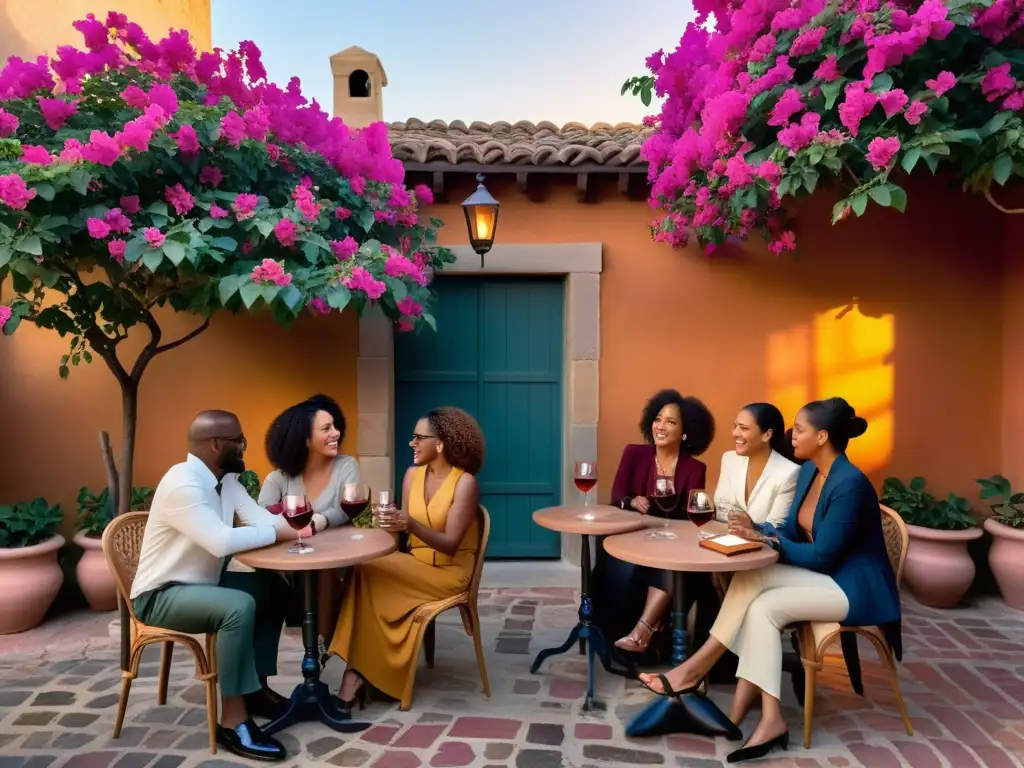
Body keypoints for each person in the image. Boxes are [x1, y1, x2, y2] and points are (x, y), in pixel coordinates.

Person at [638, 397, 901, 764]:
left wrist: (769, 541)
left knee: (761, 597)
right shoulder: (810, 472)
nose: (792, 435)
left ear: (823, 437)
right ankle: (769, 717)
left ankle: (696, 671)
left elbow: (824, 555)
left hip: (850, 588)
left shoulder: (850, 483)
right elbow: (791, 529)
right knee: (759, 596)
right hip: (822, 577)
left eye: (801, 429)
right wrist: (756, 529)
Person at [130, 410, 315, 762]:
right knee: (237, 606)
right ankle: (232, 721)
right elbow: (219, 541)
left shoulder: (226, 481)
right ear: (216, 445)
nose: (245, 447)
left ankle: (255, 690)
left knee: (268, 587)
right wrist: (284, 531)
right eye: (239, 441)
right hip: (161, 595)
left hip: (202, 583)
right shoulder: (182, 482)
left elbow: (263, 521)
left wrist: (307, 521)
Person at [328, 406, 485, 710]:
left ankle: (358, 674)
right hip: (416, 563)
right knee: (364, 568)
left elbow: (451, 544)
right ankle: (364, 671)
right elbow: (398, 537)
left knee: (369, 577)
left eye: (418, 438)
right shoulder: (412, 475)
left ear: (440, 443)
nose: (411, 443)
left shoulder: (465, 484)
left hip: (449, 573)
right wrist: (386, 528)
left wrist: (409, 524)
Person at [591, 389, 714, 659]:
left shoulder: (695, 468)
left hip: (671, 543)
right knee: (621, 568)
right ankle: (622, 635)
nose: (661, 426)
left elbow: (691, 516)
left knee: (671, 566)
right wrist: (632, 501)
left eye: (671, 422)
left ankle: (642, 633)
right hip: (631, 537)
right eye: (658, 419)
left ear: (685, 432)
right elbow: (617, 499)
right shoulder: (635, 454)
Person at [259, 394, 363, 655]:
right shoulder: (278, 478)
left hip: (337, 557)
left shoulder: (346, 465)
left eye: (335, 426)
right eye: (326, 429)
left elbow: (346, 505)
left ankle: (323, 650)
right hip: (290, 561)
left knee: (324, 571)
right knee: (261, 584)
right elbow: (261, 518)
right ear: (304, 439)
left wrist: (317, 521)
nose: (336, 434)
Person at [714, 403, 800, 528]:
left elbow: (776, 527)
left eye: (743, 428)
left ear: (767, 435)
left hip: (762, 546)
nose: (735, 433)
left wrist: (752, 527)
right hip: (723, 540)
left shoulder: (789, 472)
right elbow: (721, 512)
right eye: (735, 426)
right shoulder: (729, 459)